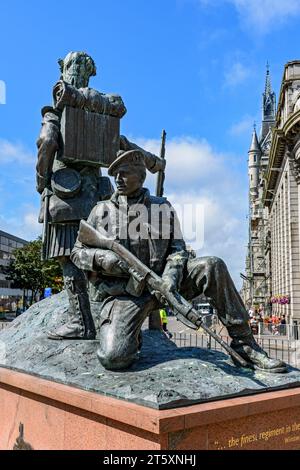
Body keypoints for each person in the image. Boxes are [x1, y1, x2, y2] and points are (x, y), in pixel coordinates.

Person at [71, 150, 287, 373]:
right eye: (115, 174)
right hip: (126, 294)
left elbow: (178, 250)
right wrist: (102, 259)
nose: (118, 179)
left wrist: (170, 277)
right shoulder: (101, 211)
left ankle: (245, 345)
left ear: (141, 176)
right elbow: (78, 253)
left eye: (124, 173)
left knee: (212, 265)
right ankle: (129, 337)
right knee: (113, 358)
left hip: (165, 285)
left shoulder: (161, 208)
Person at [37, 51, 165, 340]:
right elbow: (126, 147)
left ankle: (81, 323)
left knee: (70, 259)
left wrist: (41, 181)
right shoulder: (101, 110)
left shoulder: (58, 109)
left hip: (66, 195)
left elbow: (47, 141)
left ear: (64, 72)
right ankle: (118, 317)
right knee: (102, 258)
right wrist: (156, 163)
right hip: (100, 199)